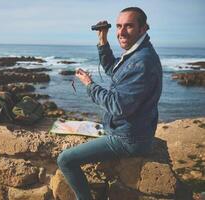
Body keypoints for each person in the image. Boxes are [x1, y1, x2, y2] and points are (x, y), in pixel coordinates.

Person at [57, 7, 162, 200]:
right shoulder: (136, 53)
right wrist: (102, 39)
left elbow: (117, 106)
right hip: (131, 131)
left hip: (128, 139)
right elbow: (114, 70)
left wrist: (89, 85)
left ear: (143, 28)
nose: (121, 32)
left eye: (129, 26)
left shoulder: (142, 62)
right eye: (119, 26)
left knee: (65, 160)